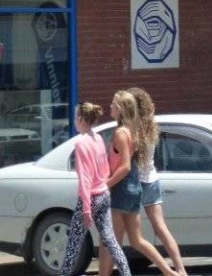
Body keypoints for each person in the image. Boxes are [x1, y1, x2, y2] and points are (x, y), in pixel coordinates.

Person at [98, 91, 179, 276]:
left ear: (120, 109)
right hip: (134, 188)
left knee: (109, 240)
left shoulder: (120, 133)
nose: (110, 106)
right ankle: (169, 272)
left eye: (113, 104)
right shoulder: (131, 131)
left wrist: (105, 184)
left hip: (122, 189)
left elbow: (125, 166)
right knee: (136, 240)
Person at [59, 102, 132, 276]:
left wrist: (86, 209)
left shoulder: (81, 144)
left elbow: (85, 179)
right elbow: (104, 167)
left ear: (81, 119)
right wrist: (104, 185)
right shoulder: (98, 138)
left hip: (90, 198)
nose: (74, 121)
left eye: (76, 117)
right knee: (111, 241)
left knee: (73, 245)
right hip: (104, 194)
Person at [127, 86, 187, 276]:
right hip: (151, 179)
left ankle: (168, 270)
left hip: (136, 181)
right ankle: (180, 269)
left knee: (127, 233)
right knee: (161, 228)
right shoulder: (151, 125)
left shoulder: (132, 127)